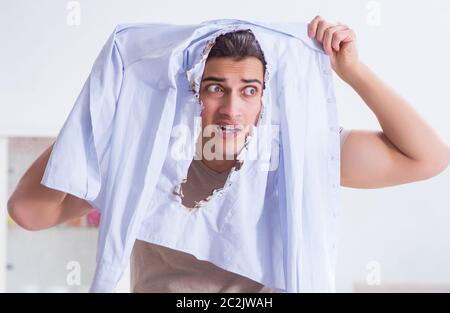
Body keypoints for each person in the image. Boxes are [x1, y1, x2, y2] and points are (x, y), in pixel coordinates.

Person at [7, 16, 450, 292]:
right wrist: (102, 111)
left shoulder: (300, 153)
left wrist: (353, 71)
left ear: (265, 97)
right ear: (190, 91)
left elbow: (427, 158)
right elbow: (29, 212)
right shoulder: (147, 156)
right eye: (215, 87)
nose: (231, 109)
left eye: (249, 90)